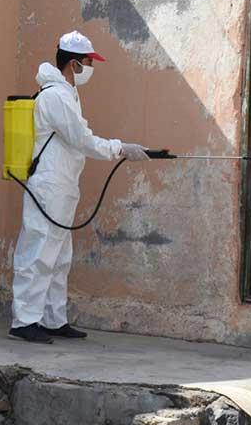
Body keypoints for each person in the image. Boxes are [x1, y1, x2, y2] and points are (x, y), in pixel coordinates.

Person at [9, 31, 149, 343]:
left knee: (59, 255)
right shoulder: (55, 97)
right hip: (48, 184)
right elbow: (81, 139)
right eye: (89, 62)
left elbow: (78, 137)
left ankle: (53, 319)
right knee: (38, 251)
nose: (91, 68)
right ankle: (24, 321)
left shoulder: (68, 94)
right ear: (74, 64)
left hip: (63, 184)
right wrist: (119, 148)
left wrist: (118, 148)